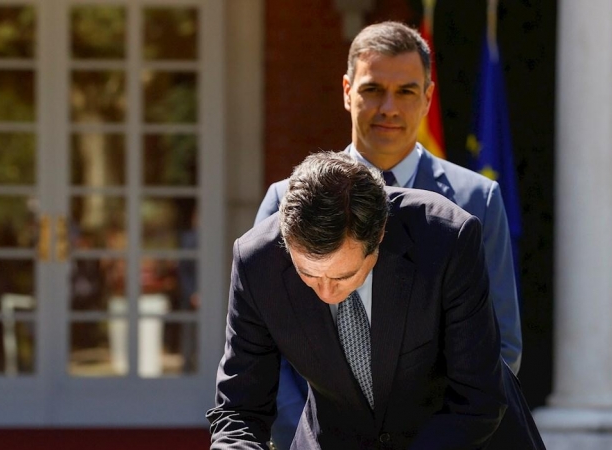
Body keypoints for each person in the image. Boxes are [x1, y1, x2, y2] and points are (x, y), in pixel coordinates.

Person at [254, 21, 523, 448]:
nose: (388, 108)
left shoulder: (477, 201)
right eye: (372, 89)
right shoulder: (285, 201)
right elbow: (262, 345)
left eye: (406, 91)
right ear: (347, 90)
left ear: (428, 97)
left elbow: (501, 346)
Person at [208, 152, 543, 449]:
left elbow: (477, 399)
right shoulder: (257, 261)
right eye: (308, 275)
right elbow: (239, 408)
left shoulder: (447, 239)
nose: (325, 292)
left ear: (380, 234)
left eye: (342, 276)